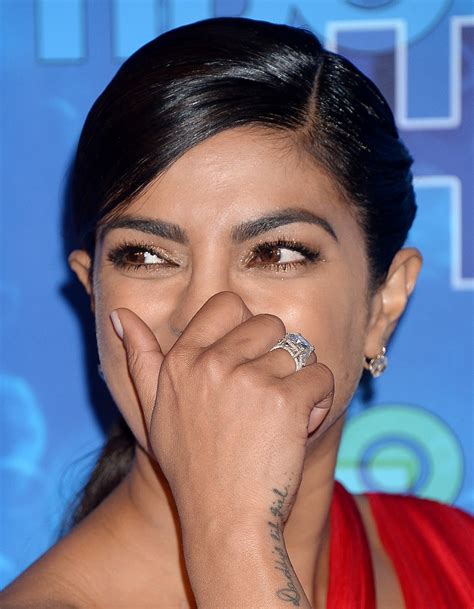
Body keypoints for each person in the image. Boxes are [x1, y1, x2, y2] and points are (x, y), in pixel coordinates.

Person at [2, 16, 472, 609]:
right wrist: (231, 533)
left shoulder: (459, 556)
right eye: (147, 255)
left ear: (383, 303)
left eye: (276, 253)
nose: (207, 315)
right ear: (94, 294)